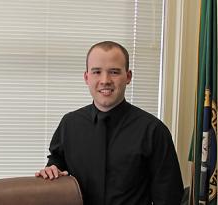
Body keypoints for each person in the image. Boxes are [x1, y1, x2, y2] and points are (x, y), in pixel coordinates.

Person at [35, 41, 183, 205]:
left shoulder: (154, 130)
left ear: (128, 77)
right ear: (86, 77)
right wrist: (51, 170)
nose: (105, 80)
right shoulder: (69, 124)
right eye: (97, 72)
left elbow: (169, 197)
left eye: (114, 72)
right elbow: (57, 164)